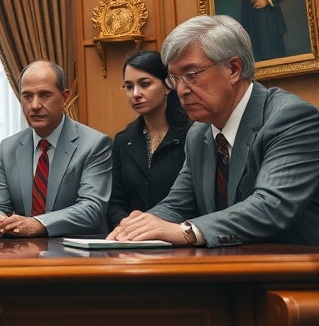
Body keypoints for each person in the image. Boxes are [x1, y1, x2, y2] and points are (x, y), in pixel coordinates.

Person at [109, 15, 319, 247]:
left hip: (296, 273)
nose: (181, 90)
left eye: (191, 75)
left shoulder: (290, 118)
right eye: (174, 79)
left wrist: (188, 231)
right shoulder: (198, 134)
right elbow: (178, 205)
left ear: (233, 69)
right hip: (230, 270)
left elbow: (271, 206)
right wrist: (136, 228)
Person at [0, 61, 112, 238]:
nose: (34, 105)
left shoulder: (95, 144)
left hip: (77, 255)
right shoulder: (9, 148)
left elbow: (92, 210)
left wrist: (39, 223)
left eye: (44, 95)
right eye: (27, 96)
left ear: (65, 97)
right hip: (22, 254)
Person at [107, 51, 191, 229]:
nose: (135, 94)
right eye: (129, 87)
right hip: (133, 242)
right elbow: (115, 204)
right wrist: (127, 224)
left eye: (144, 84)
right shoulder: (123, 140)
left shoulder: (192, 133)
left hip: (181, 237)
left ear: (168, 85)